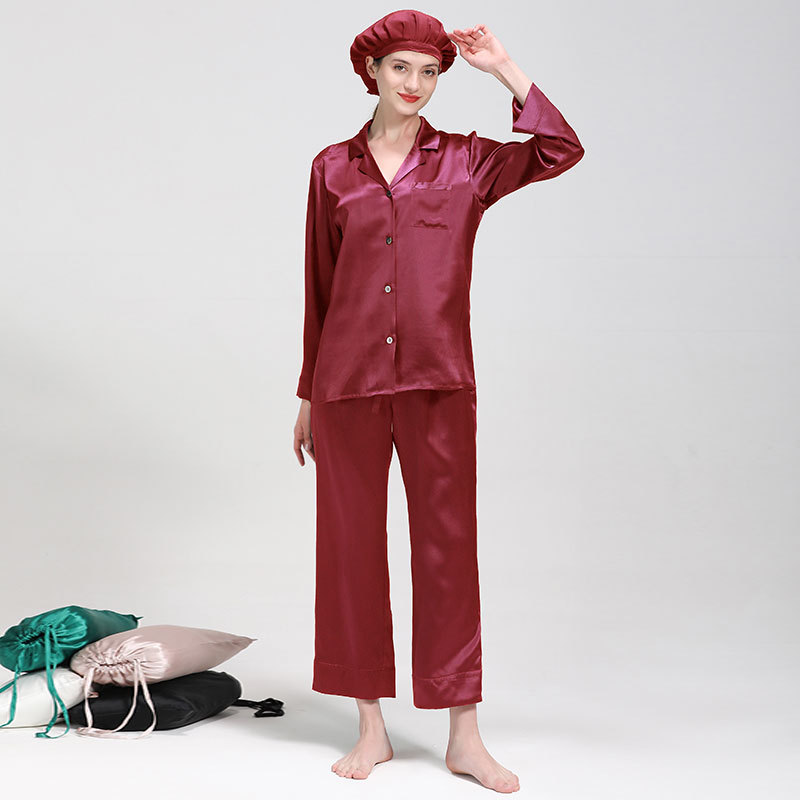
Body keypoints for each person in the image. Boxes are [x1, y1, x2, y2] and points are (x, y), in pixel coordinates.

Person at [292, 9, 584, 793]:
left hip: (439, 381)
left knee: (448, 555)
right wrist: (308, 394)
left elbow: (560, 149)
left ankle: (464, 736)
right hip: (347, 386)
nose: (414, 84)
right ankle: (371, 726)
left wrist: (503, 68)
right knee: (350, 552)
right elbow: (319, 285)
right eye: (400, 69)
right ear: (371, 73)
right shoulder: (331, 169)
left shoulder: (467, 163)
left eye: (428, 71)